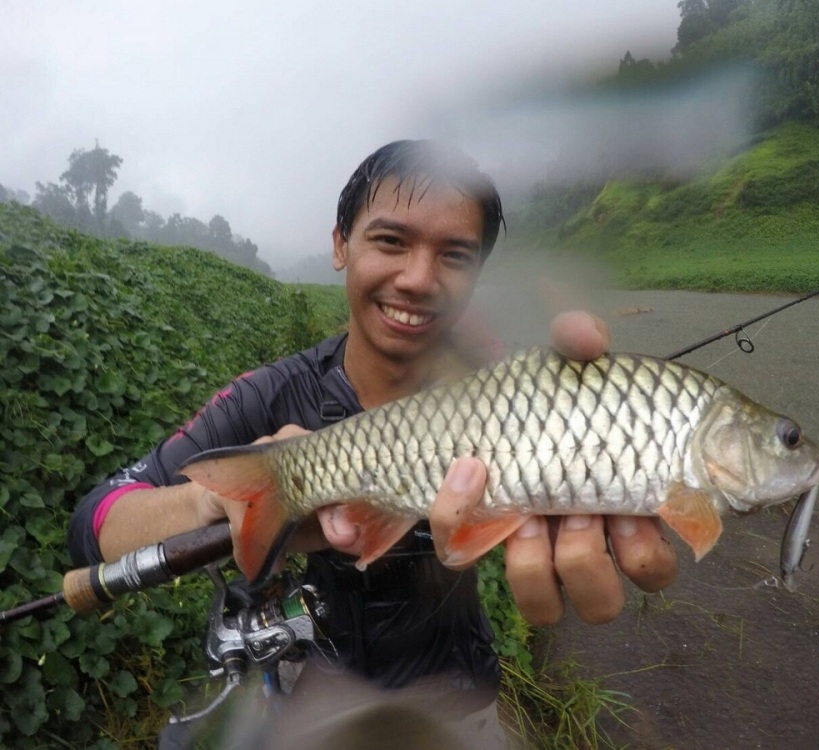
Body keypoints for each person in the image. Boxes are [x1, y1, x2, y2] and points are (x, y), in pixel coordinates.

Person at [67, 140, 678, 741]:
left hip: (462, 694)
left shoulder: (508, 389)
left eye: (455, 256)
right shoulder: (271, 394)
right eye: (390, 241)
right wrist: (212, 502)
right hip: (322, 695)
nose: (417, 279)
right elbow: (94, 519)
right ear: (341, 244)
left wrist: (618, 419)